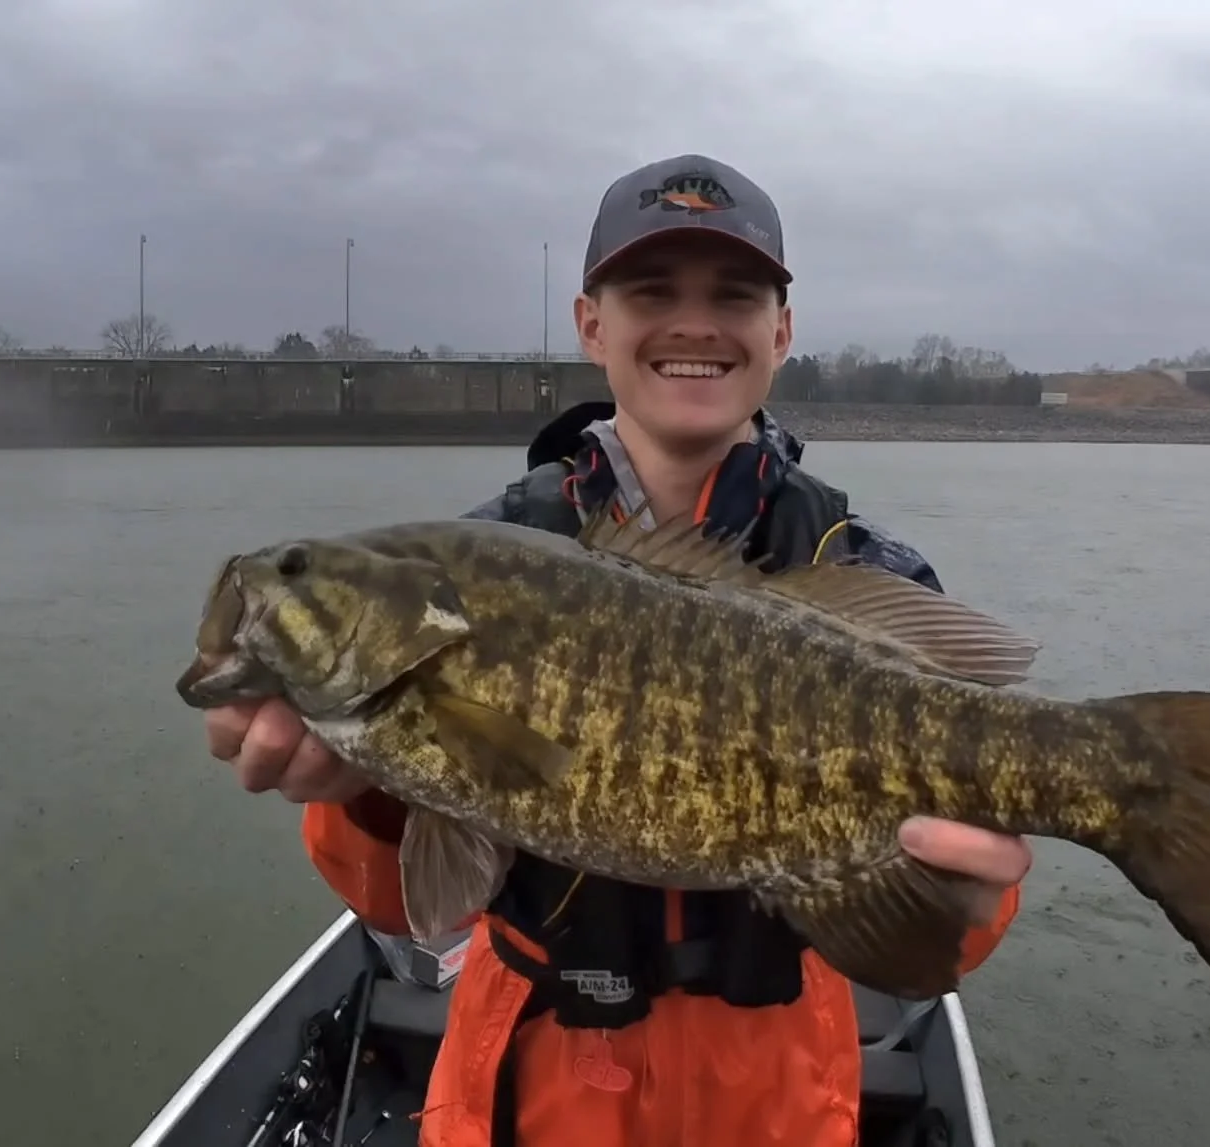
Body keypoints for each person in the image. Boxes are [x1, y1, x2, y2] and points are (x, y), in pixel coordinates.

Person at [204, 154, 1033, 1147]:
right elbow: (407, 905)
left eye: (734, 294)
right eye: (650, 292)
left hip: (776, 1098)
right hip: (531, 1088)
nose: (693, 323)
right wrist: (368, 792)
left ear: (783, 331)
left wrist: (962, 900)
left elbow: (933, 949)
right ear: (591, 323)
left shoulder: (869, 576)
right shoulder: (484, 557)